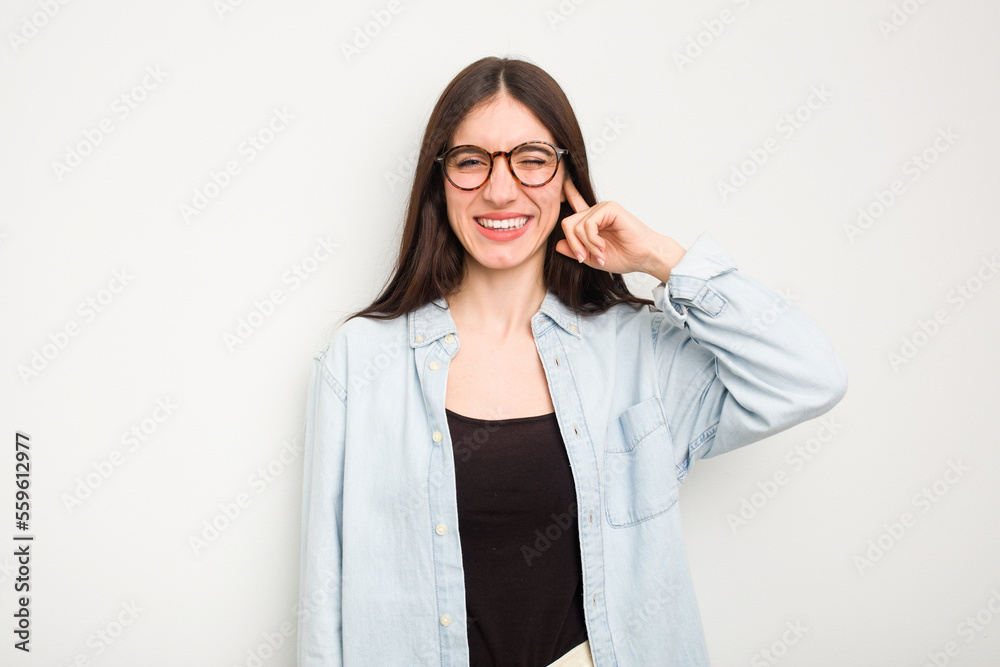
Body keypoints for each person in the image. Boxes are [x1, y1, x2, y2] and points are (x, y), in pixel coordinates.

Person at [297, 56, 847, 667]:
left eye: (532, 159)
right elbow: (325, 595)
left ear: (568, 178)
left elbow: (809, 377)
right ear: (439, 181)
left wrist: (663, 258)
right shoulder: (362, 359)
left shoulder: (638, 352)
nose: (500, 189)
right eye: (471, 161)